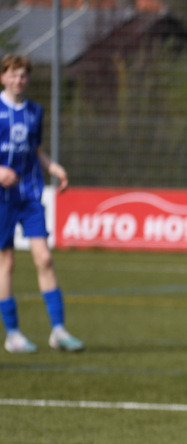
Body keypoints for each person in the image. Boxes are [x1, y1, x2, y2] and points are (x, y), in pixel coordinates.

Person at [0, 54, 82, 354]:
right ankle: (13, 334)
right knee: (6, 262)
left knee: (44, 259)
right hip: (2, 199)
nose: (18, 80)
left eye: (23, 75)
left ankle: (58, 331)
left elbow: (35, 150)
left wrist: (53, 167)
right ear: (3, 77)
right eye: (13, 74)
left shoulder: (35, 111)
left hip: (29, 195)